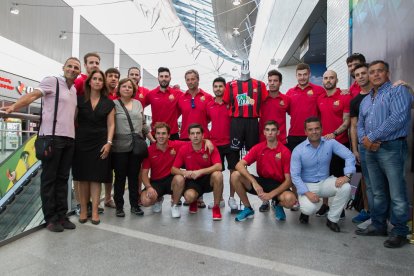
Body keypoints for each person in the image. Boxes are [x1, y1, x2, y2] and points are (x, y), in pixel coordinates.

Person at [1, 57, 81, 232]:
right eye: (70, 66)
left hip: (69, 139)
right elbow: (32, 95)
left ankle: (62, 215)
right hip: (51, 138)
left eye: (76, 67)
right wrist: (13, 107)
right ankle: (51, 218)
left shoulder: (74, 89)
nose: (73, 69)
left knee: (63, 179)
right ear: (64, 67)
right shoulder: (52, 81)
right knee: (49, 179)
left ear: (79, 72)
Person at [355, 60, 412, 248]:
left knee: (396, 192)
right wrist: (365, 140)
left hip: (392, 148)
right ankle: (378, 225)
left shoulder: (398, 91)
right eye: (372, 72)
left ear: (387, 73)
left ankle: (399, 231)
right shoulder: (365, 100)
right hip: (369, 150)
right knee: (377, 191)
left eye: (380, 71)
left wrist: (371, 137)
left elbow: (398, 118)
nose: (375, 74)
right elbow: (360, 124)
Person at [290, 117, 355, 232]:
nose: (314, 132)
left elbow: (349, 155)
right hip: (308, 185)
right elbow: (295, 176)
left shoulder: (330, 143)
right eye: (310, 129)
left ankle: (332, 219)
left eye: (317, 128)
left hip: (326, 182)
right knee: (309, 209)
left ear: (322, 129)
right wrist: (307, 193)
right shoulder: (298, 150)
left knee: (346, 187)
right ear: (305, 132)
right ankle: (305, 213)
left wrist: (347, 176)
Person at [72, 70, 115, 225]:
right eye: (94, 79)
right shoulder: (79, 100)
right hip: (81, 142)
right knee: (82, 178)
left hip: (100, 142)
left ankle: (95, 211)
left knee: (96, 178)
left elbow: (111, 125)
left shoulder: (109, 102)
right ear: (89, 82)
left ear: (103, 83)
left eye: (100, 79)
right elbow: (72, 120)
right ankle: (84, 209)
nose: (97, 81)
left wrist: (108, 143)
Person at [232, 120, 296, 222]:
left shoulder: (285, 152)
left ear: (278, 132)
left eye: (273, 130)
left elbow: (288, 181)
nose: (270, 133)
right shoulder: (258, 148)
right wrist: (254, 182)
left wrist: (271, 195)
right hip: (261, 182)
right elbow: (239, 165)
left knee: (290, 200)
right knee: (235, 175)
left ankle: (277, 204)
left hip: (278, 184)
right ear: (264, 132)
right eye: (267, 130)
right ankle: (248, 208)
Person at [286, 63, 325, 211]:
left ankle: (324, 204)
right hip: (294, 136)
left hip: (313, 137)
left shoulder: (319, 91)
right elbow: (290, 112)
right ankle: (296, 199)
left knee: (318, 169)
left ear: (309, 74)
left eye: (305, 74)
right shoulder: (290, 92)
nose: (302, 77)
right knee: (295, 170)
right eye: (299, 75)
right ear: (296, 76)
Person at [315, 70, 351, 218]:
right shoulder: (320, 98)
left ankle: (339, 208)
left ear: (337, 80)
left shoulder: (345, 96)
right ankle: (325, 205)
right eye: (325, 78)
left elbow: (347, 121)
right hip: (323, 145)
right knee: (324, 175)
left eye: (331, 78)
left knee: (339, 177)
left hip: (340, 143)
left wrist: (334, 134)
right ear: (322, 80)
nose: (328, 80)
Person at [111, 78, 149, 218]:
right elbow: (109, 124)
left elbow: (143, 124)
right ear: (119, 89)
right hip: (119, 147)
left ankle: (134, 205)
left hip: (136, 146)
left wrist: (152, 139)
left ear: (134, 90)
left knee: (134, 177)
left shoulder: (138, 104)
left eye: (130, 87)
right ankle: (119, 206)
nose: (127, 89)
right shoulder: (113, 104)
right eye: (124, 86)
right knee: (120, 177)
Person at [171, 124, 223, 220]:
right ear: (189, 136)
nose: (195, 136)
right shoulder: (184, 149)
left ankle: (216, 207)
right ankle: (193, 201)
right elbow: (173, 169)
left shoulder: (210, 147)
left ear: (203, 135)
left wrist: (200, 171)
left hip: (207, 178)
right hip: (193, 180)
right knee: (189, 197)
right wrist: (185, 173)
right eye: (192, 133)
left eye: (198, 133)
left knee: (218, 175)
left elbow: (219, 166)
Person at [257, 69, 290, 212]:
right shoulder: (261, 99)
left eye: (275, 81)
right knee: (263, 172)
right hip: (262, 142)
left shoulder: (286, 100)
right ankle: (265, 199)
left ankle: (277, 201)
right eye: (270, 81)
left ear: (280, 83)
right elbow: (244, 100)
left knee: (280, 173)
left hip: (281, 141)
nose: (272, 83)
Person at [206, 77, 239, 211]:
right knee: (217, 174)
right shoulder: (209, 105)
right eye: (216, 86)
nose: (218, 89)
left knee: (233, 172)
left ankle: (231, 198)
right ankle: (219, 200)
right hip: (215, 145)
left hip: (231, 143)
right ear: (213, 88)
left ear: (225, 88)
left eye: (221, 86)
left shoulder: (232, 103)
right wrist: (207, 139)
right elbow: (204, 123)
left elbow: (250, 102)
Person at [223, 60, 268, 152]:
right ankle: (237, 166)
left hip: (252, 121)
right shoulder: (230, 85)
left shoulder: (260, 85)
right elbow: (226, 101)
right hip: (236, 121)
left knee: (253, 151)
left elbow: (264, 100)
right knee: (235, 149)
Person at [349, 63, 372, 224]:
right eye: (357, 75)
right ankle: (366, 209)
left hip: (385, 147)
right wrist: (355, 149)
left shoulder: (382, 94)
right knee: (363, 180)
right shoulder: (355, 101)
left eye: (364, 73)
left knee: (387, 182)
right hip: (363, 148)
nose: (361, 76)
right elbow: (353, 126)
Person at [145, 67, 183, 140]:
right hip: (156, 134)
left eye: (166, 76)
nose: (164, 78)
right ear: (158, 78)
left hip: (172, 134)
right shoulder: (151, 94)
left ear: (170, 78)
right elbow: (140, 107)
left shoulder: (178, 94)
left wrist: (175, 116)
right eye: (161, 76)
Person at [178, 69, 213, 140]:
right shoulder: (181, 98)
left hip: (203, 137)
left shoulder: (208, 97)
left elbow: (211, 118)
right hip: (185, 137)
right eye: (188, 80)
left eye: (192, 79)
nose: (190, 82)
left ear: (198, 80)